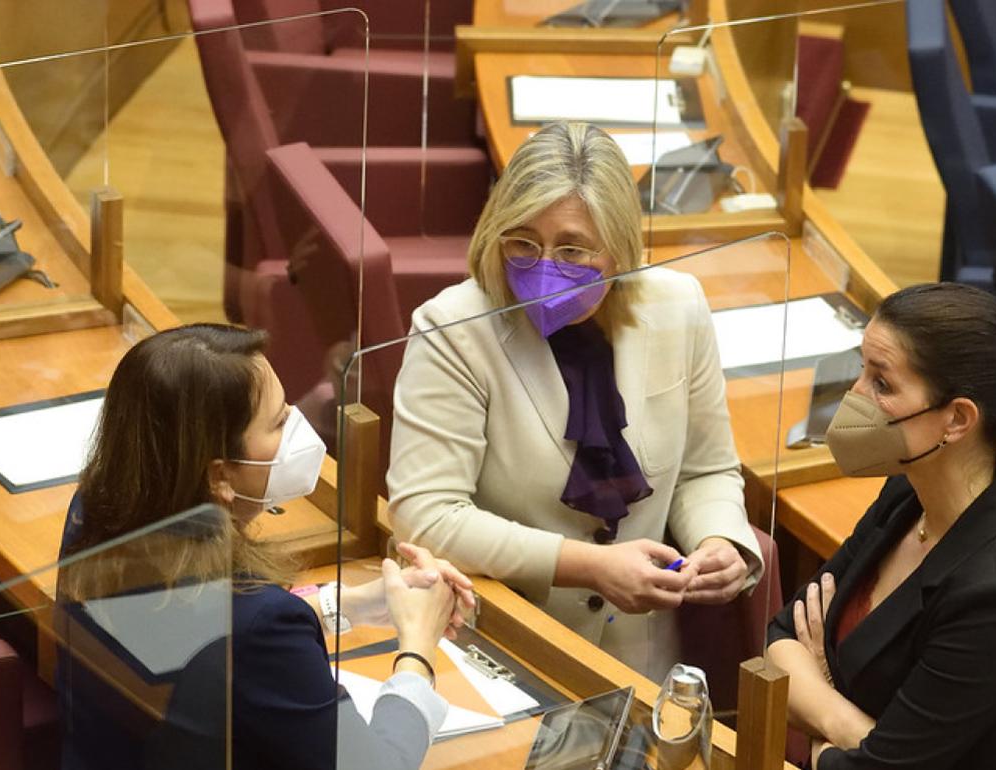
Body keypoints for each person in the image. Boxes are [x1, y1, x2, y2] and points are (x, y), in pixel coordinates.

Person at [386, 121, 764, 680]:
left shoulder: (677, 306)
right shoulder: (454, 327)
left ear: (618, 250)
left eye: (571, 249)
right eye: (522, 243)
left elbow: (705, 469)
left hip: (640, 659)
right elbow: (427, 516)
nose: (543, 267)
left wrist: (719, 540)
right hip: (504, 647)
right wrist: (588, 566)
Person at [56, 323, 475, 770]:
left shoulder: (94, 511)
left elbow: (199, 641)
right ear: (219, 476)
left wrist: (352, 605)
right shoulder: (256, 625)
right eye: (278, 422)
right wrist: (418, 651)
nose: (297, 422)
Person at [766, 282, 996, 770]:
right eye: (861, 371)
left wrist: (821, 693)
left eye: (882, 384)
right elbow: (779, 640)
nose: (854, 396)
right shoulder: (905, 495)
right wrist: (846, 721)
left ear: (957, 420)